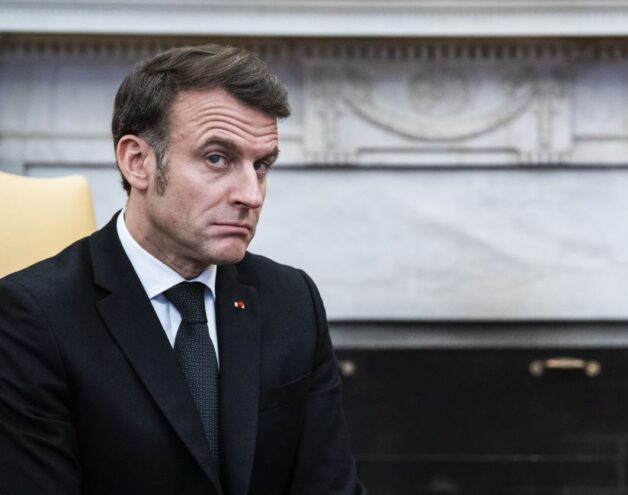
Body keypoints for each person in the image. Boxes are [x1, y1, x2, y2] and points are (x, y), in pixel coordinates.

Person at [0, 45, 365, 495]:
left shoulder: (292, 298)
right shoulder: (32, 316)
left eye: (261, 165)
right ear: (138, 162)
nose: (251, 194)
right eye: (217, 158)